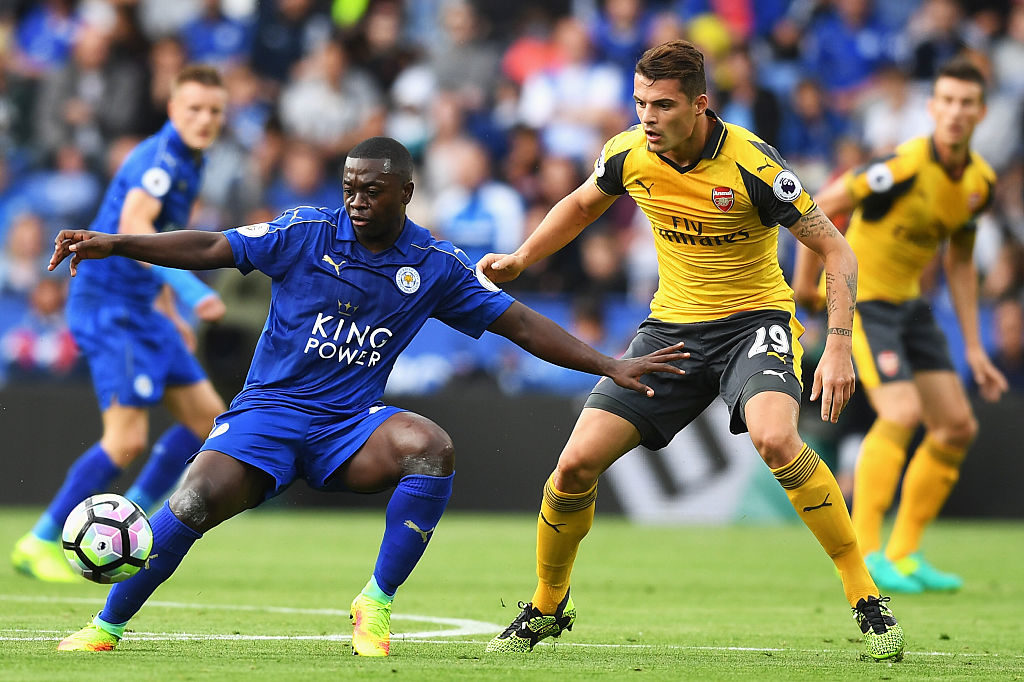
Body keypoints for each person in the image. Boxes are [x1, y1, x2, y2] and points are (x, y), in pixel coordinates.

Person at [48, 136, 686, 657]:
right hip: (264, 416)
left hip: (348, 427)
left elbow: (516, 323)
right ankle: (105, 629)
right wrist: (117, 243)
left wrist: (607, 362)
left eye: (372, 190)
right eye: (349, 186)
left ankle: (374, 604)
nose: (356, 199)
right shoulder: (304, 232)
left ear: (406, 193)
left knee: (430, 448)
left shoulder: (433, 264)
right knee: (188, 504)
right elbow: (215, 245)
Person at [479, 40, 905, 662]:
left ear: (700, 105)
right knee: (572, 469)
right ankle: (546, 606)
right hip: (670, 332)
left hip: (753, 323)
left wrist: (838, 344)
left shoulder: (755, 167)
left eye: (662, 105)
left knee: (777, 439)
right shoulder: (628, 154)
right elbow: (578, 205)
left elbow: (837, 250)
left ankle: (864, 593)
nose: (647, 117)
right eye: (639, 103)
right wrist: (523, 257)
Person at [792, 57, 1007, 593]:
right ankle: (865, 554)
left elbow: (959, 262)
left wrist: (975, 350)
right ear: (931, 107)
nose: (956, 112)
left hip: (910, 308)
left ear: (981, 112)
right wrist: (805, 286)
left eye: (966, 103)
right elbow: (818, 206)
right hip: (863, 303)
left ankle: (905, 553)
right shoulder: (903, 166)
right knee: (902, 411)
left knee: (956, 426)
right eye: (947, 101)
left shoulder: (978, 184)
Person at [11, 65, 230, 582]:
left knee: (208, 421)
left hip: (144, 308)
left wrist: (169, 311)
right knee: (125, 439)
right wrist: (193, 290)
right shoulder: (160, 158)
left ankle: (129, 522)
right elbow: (135, 225)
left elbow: (163, 237)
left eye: (214, 110)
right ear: (172, 110)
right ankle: (38, 540)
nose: (204, 119)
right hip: (111, 306)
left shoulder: (193, 160)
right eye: (193, 109)